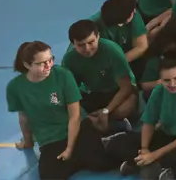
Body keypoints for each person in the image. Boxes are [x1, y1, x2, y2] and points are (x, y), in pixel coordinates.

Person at [11, 40, 114, 179]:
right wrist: (28, 142)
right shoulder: (18, 87)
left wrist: (69, 148)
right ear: (27, 65)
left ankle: (109, 137)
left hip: (77, 129)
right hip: (51, 139)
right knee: (49, 176)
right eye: (41, 63)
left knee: (101, 163)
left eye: (49, 60)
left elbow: (75, 116)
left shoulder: (62, 75)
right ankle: (80, 158)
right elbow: (24, 117)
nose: (48, 66)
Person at [106, 53, 176, 179]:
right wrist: (145, 149)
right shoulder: (159, 90)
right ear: (160, 79)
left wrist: (155, 155)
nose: (172, 84)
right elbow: (149, 123)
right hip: (165, 135)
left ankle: (142, 163)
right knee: (116, 143)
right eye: (166, 80)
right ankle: (151, 164)